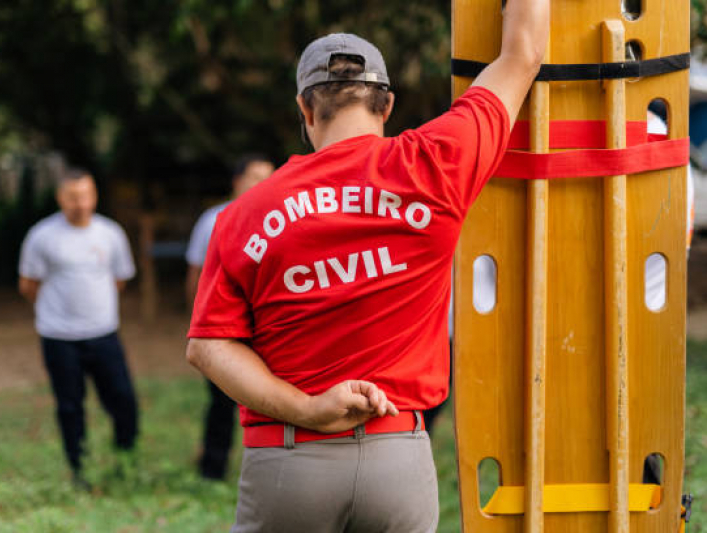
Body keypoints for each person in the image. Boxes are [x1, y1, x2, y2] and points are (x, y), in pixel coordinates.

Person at [187, 1, 549, 530]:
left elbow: (207, 345)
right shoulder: (434, 163)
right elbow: (523, 53)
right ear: (387, 104)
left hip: (288, 463)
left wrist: (307, 408)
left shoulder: (244, 213)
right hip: (396, 454)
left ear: (305, 109)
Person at [18, 168, 139, 490]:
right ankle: (78, 469)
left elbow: (120, 279)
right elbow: (29, 285)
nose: (81, 203)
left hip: (104, 334)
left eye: (86, 195)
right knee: (70, 407)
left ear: (95, 195)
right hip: (59, 338)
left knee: (124, 401)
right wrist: (57, 313)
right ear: (60, 198)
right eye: (73, 197)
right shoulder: (41, 236)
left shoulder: (110, 233)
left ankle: (124, 461)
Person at [185, 154, 275, 480]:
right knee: (222, 401)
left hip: (265, 325)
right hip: (225, 327)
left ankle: (267, 470)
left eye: (269, 175)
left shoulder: (282, 215)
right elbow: (195, 274)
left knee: (268, 397)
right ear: (237, 181)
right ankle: (213, 468)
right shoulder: (213, 219)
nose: (262, 182)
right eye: (255, 176)